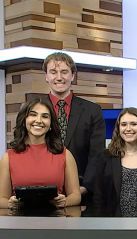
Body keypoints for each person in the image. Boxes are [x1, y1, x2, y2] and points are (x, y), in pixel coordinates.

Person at [0, 97, 81, 209]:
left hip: (56, 222)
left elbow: (76, 196)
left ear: (51, 123)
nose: (38, 120)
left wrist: (65, 201)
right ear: (24, 119)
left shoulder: (65, 154)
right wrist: (10, 203)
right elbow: (1, 200)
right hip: (19, 222)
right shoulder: (8, 158)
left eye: (45, 116)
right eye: (33, 114)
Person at [42, 52, 106, 199]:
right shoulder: (33, 111)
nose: (59, 77)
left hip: (82, 193)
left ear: (73, 76)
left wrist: (82, 189)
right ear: (46, 76)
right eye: (53, 72)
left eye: (64, 72)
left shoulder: (92, 111)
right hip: (42, 192)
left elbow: (97, 154)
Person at [87, 108, 137, 217]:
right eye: (124, 124)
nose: (128, 129)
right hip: (113, 225)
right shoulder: (106, 157)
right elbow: (98, 197)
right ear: (118, 128)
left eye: (133, 124)